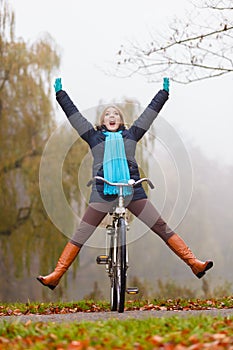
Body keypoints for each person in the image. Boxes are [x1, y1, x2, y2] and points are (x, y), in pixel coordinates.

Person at [37, 77, 213, 290]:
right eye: (108, 114)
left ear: (121, 121)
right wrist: (60, 94)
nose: (112, 116)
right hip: (103, 191)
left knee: (160, 226)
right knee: (82, 232)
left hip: (132, 190)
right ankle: (56, 275)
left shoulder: (132, 135)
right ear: (103, 121)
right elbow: (74, 116)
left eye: (116, 114)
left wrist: (163, 93)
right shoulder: (94, 137)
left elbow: (149, 114)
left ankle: (193, 263)